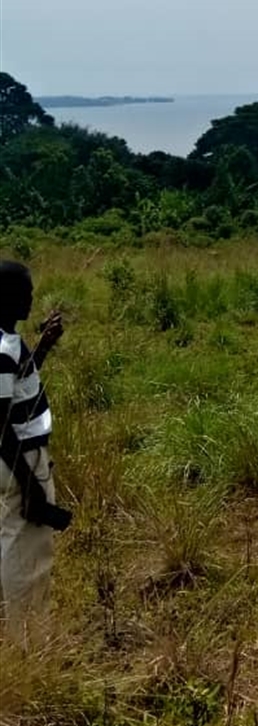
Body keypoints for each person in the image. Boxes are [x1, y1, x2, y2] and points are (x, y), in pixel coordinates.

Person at [0, 260, 70, 647]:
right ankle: (26, 643)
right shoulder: (2, 347)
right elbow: (0, 423)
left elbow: (16, 388)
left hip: (18, 460)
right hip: (21, 459)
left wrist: (42, 347)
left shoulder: (8, 342)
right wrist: (30, 485)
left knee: (14, 540)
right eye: (23, 294)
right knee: (28, 553)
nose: (30, 300)